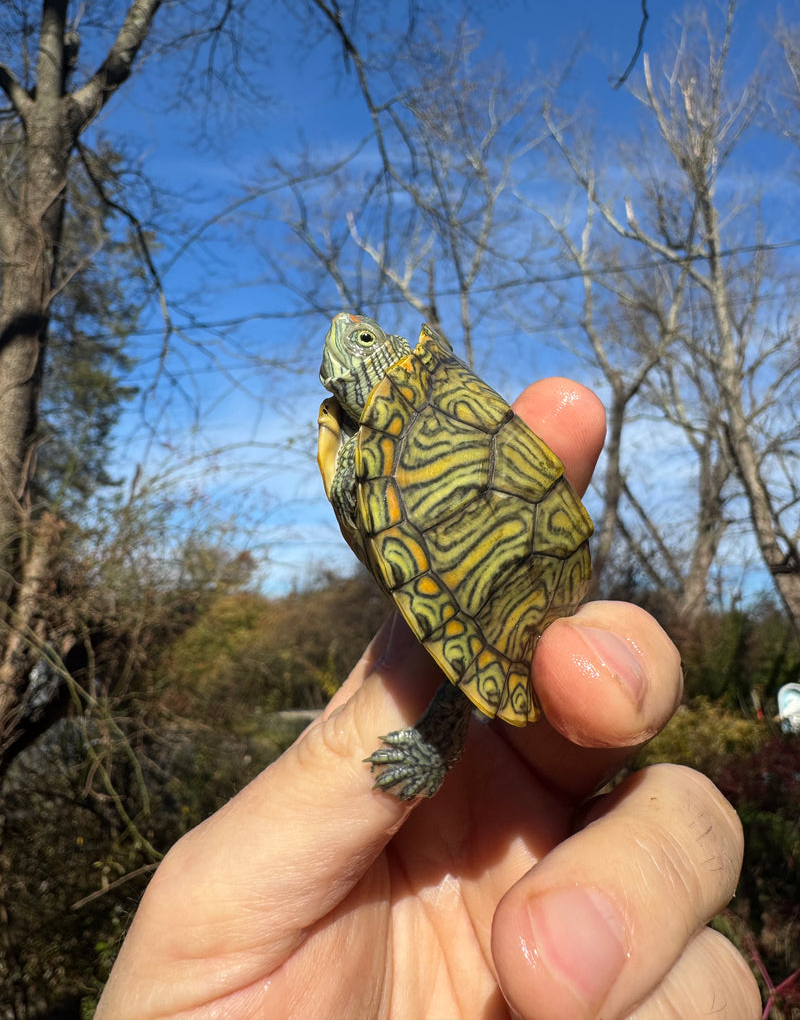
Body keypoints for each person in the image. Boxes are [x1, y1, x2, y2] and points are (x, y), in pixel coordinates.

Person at [96, 379, 761, 1020]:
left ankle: (437, 739)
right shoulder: (376, 437)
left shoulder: (430, 415)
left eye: (360, 344)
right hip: (460, 587)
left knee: (480, 681)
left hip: (487, 590)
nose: (343, 347)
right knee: (466, 678)